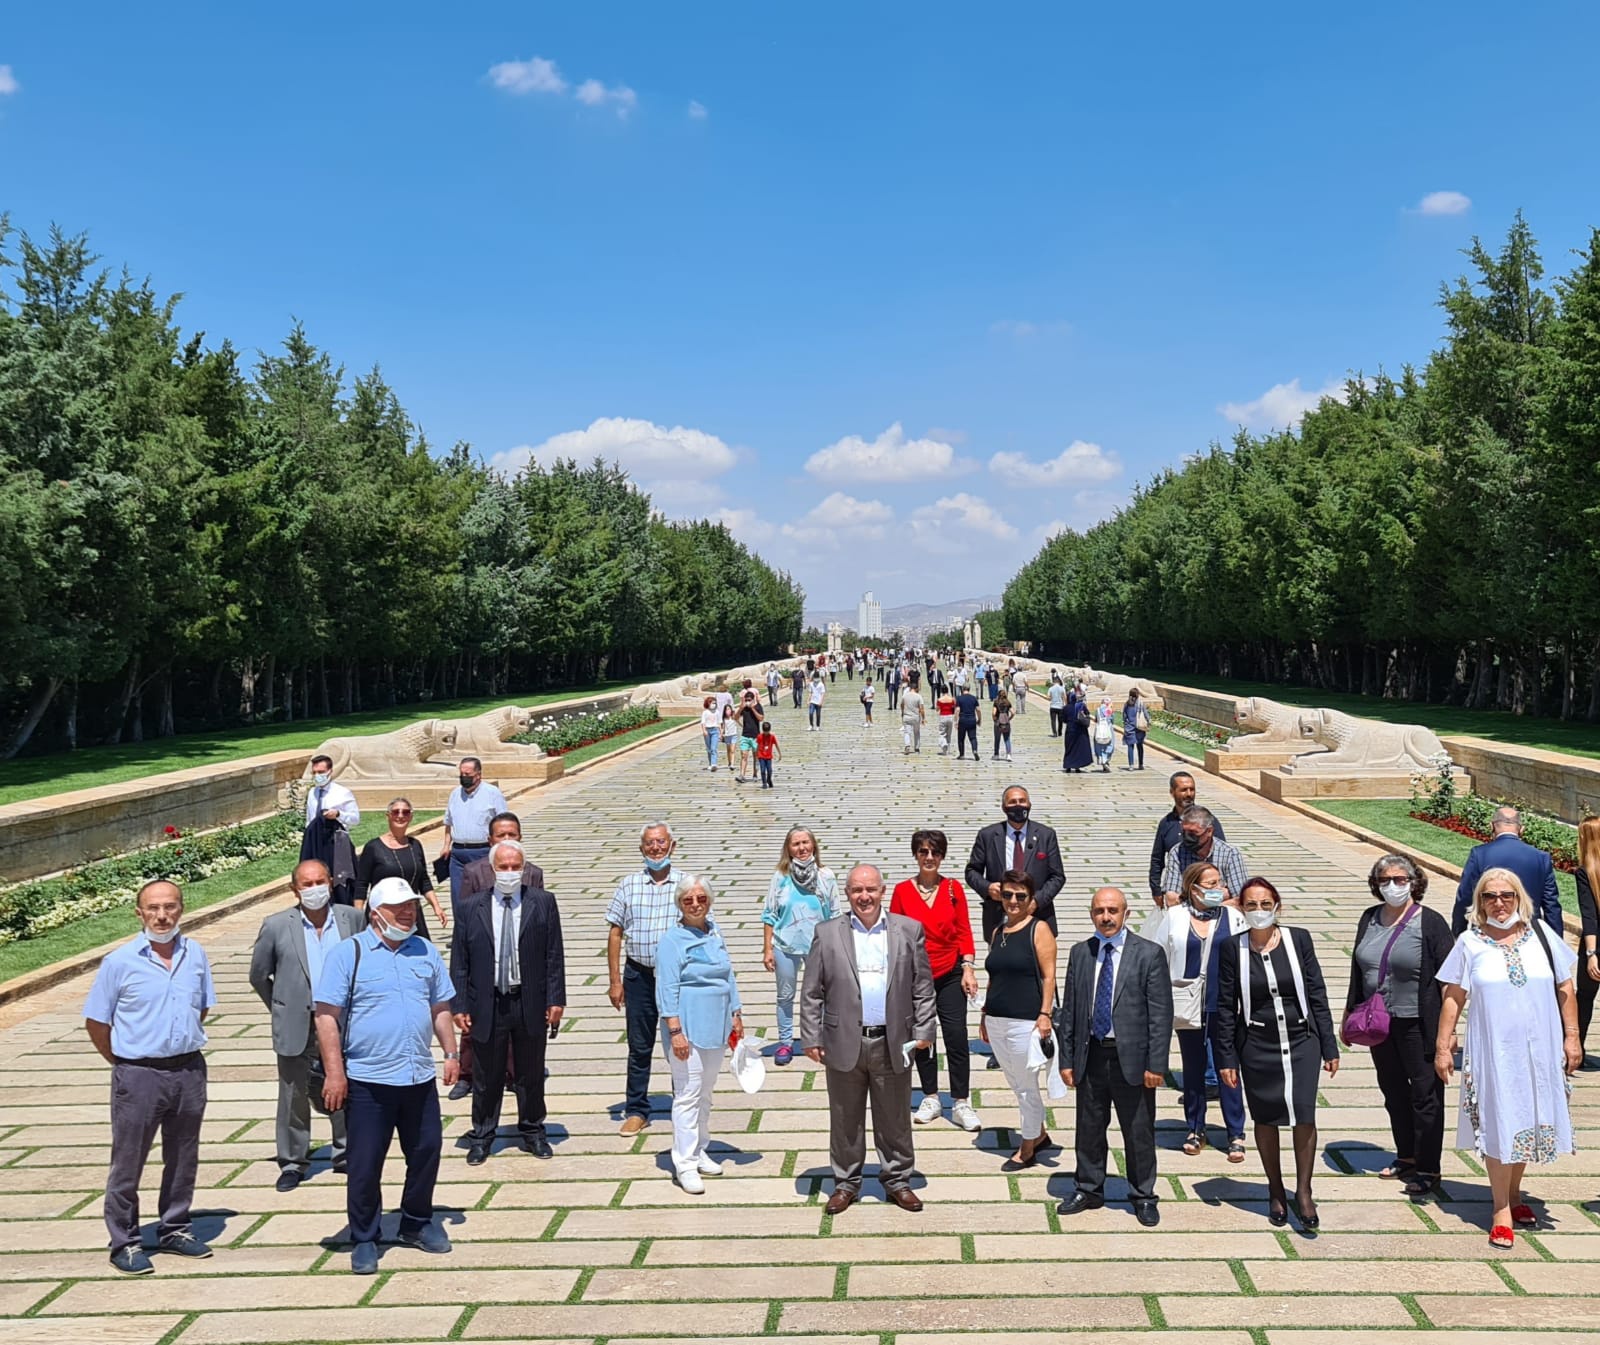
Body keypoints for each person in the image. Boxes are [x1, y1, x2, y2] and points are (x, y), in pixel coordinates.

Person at [314, 877, 459, 1274]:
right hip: (367, 1080)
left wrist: (451, 1053)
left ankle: (416, 1222)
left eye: (411, 905)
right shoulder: (349, 954)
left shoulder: (425, 950)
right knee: (364, 1163)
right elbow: (326, 1017)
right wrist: (335, 1074)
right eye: (399, 908)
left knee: (426, 1152)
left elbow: (440, 1006)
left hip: (417, 1076)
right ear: (376, 913)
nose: (409, 912)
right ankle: (365, 1236)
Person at [1436, 868, 1579, 1249]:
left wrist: (1572, 1037)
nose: (1499, 903)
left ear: (1519, 898)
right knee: (1500, 1121)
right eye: (1490, 896)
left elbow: (1565, 987)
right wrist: (1443, 1045)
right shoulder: (1469, 942)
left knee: (1527, 1118)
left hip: (1540, 1050)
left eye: (1506, 895)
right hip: (1494, 1052)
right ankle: (1500, 1208)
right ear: (1479, 902)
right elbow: (1453, 997)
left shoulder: (1542, 935)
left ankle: (1515, 1195)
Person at [83, 880, 216, 1275]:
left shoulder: (195, 954)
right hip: (139, 1074)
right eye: (153, 908)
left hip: (188, 1070)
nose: (162, 916)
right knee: (129, 1160)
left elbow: (201, 1008)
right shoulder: (119, 962)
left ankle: (175, 1227)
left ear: (181, 909)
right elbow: (96, 1022)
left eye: (169, 907)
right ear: (139, 913)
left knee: (183, 1155)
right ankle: (124, 1241)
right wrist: (124, 1060)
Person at [800, 865, 936, 1214]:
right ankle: (846, 1183)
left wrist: (924, 1030)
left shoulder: (908, 930)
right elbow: (812, 991)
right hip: (843, 1040)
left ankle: (898, 1180)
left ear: (882, 891)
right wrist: (811, 1035)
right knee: (845, 1118)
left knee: (895, 1117)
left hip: (893, 1040)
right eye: (857, 890)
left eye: (871, 890)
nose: (864, 897)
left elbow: (922, 986)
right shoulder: (827, 933)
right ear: (847, 893)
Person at [1214, 878, 1340, 1231]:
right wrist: (1226, 1057)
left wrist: (1329, 1045)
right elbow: (1225, 1007)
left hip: (1302, 1041)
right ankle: (1275, 1189)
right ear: (1241, 909)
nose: (1259, 911)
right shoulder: (1232, 948)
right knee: (1266, 1116)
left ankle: (1304, 1191)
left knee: (1303, 1113)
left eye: (1265, 904)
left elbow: (1317, 993)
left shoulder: (1298, 939)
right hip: (1257, 1044)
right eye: (1251, 905)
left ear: (1277, 906)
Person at [1055, 887, 1172, 1226]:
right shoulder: (1081, 953)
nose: (1105, 917)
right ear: (1091, 914)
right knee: (1089, 1128)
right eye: (1099, 911)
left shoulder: (1148, 953)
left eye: (1112, 911)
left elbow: (1160, 1014)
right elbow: (1071, 1010)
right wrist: (1066, 1059)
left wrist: (1156, 1064)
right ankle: (1088, 1188)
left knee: (1138, 1131)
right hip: (1091, 1055)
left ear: (1126, 914)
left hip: (1132, 1059)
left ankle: (1143, 1195)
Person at [248, 860, 365, 1192]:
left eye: (319, 882)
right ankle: (292, 1161)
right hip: (297, 1020)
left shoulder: (352, 919)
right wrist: (280, 1005)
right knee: (293, 1094)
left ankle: (346, 1153)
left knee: (344, 1084)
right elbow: (259, 975)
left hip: (343, 1019)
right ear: (294, 889)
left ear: (331, 882)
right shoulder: (276, 925)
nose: (314, 889)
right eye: (306, 884)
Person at [1341, 854, 1453, 1198]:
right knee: (1393, 1091)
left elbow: (1450, 981)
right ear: (1376, 885)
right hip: (1379, 1023)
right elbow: (1359, 971)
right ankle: (1406, 1156)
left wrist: (1448, 1033)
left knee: (1425, 1096)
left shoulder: (1429, 922)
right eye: (1386, 880)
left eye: (1401, 879)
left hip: (1419, 1023)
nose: (1393, 885)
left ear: (1414, 882)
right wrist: (1348, 1015)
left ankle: (1428, 1167)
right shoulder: (1369, 918)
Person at [450, 841, 565, 1164]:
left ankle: (533, 1130)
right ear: (492, 869)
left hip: (529, 1000)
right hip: (488, 1002)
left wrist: (556, 998)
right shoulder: (471, 907)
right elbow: (460, 960)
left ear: (524, 869)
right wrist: (459, 1004)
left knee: (530, 1071)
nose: (510, 873)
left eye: (516, 867)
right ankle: (482, 1135)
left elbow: (554, 954)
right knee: (487, 1074)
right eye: (504, 867)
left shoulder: (542, 902)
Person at [1141, 861, 1248, 1161]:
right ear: (1194, 888)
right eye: (1211, 884)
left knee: (1228, 1067)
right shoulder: (1175, 916)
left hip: (1224, 1004)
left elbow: (1245, 957)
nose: (1219, 889)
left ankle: (1236, 1131)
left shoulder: (1232, 916)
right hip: (1186, 1004)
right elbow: (1158, 957)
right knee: (1193, 1067)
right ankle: (1195, 1127)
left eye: (1220, 883)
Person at [656, 873, 744, 1192]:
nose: (695, 904)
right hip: (687, 1028)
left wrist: (736, 1012)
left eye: (701, 898)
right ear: (679, 904)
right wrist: (675, 1031)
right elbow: (666, 988)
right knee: (688, 1093)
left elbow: (728, 975)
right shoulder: (671, 941)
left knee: (706, 1092)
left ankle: (699, 1148)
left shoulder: (715, 931)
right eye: (688, 900)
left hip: (716, 1024)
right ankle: (684, 1163)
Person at [891, 831, 980, 1131]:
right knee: (923, 1037)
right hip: (916, 976)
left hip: (950, 971)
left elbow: (964, 930)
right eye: (923, 852)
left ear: (942, 856)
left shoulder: (953, 888)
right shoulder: (902, 891)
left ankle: (961, 1101)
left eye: (935, 852)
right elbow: (895, 934)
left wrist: (968, 968)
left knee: (956, 1036)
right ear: (915, 855)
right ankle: (930, 1097)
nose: (929, 858)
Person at [606, 821, 681, 1134]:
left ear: (672, 845)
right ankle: (637, 1108)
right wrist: (615, 981)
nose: (656, 848)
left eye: (661, 842)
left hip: (677, 979)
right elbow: (615, 933)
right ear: (642, 848)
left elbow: (705, 930)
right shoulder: (629, 885)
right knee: (639, 1045)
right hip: (638, 975)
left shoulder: (686, 885)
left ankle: (684, 1104)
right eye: (650, 843)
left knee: (680, 1043)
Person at [980, 872, 1058, 1168]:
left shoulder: (1039, 929)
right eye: (1008, 895)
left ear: (1030, 899)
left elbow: (1049, 976)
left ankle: (1027, 1148)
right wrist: (984, 1015)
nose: (1013, 901)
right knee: (1015, 1082)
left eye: (1020, 896)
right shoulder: (998, 931)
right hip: (997, 1018)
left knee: (1026, 1085)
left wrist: (1045, 1014)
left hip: (1025, 1021)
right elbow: (994, 976)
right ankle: (1039, 1133)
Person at [761, 827, 842, 1066]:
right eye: (796, 844)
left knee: (824, 995)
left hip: (819, 945)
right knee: (785, 996)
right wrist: (767, 949)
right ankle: (785, 1042)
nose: (802, 848)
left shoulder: (826, 876)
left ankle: (823, 1039)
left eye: (805, 842)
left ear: (813, 845)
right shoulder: (780, 877)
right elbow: (769, 914)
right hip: (785, 945)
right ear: (788, 849)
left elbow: (835, 913)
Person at [964, 785, 1065, 942]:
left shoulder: (1046, 835)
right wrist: (987, 888)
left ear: (1029, 804)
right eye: (1012, 802)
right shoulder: (987, 835)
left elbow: (1057, 876)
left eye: (1022, 801)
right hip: (999, 915)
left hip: (1038, 915)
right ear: (1004, 807)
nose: (1018, 805)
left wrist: (1036, 901)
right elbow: (972, 871)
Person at [1450, 806, 1564, 937]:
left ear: (1491, 826)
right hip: (1528, 933)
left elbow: (1465, 896)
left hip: (1489, 931)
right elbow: (1551, 904)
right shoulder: (1541, 858)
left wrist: (1458, 931)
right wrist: (1556, 940)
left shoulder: (1479, 854)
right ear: (1521, 829)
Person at [354, 796, 447, 936]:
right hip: (384, 914)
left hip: (411, 913)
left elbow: (424, 881)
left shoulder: (415, 845)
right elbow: (361, 885)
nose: (400, 816)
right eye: (395, 812)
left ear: (411, 817)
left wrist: (436, 907)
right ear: (388, 816)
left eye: (406, 812)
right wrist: (358, 917)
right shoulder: (373, 847)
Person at [442, 757, 508, 914]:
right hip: (458, 854)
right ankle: (461, 928)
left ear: (478, 775)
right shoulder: (455, 794)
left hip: (482, 852)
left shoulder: (492, 793)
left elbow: (504, 823)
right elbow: (448, 823)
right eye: (461, 774)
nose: (464, 777)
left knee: (483, 895)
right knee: (458, 898)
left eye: (468, 774)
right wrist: (446, 845)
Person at [1149, 773, 1227, 905]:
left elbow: (1222, 852)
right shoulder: (1166, 824)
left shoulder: (1209, 821)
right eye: (1184, 790)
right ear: (1172, 792)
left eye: (1192, 789)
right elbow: (1157, 859)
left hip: (1208, 893)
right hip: (1178, 892)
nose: (1189, 794)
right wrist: (1156, 889)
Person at [301, 753, 361, 906]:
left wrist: (338, 814)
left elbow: (355, 818)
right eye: (314, 772)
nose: (317, 776)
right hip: (316, 843)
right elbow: (309, 819)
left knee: (340, 884)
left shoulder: (342, 793)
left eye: (321, 772)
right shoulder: (313, 793)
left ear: (330, 771)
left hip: (337, 843)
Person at [1160, 806, 1248, 907]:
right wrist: (1219, 896)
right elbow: (1171, 899)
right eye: (1184, 832)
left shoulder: (1230, 854)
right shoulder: (1177, 852)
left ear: (1209, 831)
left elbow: (1240, 899)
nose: (1187, 838)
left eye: (1193, 833)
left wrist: (1190, 899)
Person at [1575, 816, 1600, 1060]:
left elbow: (1589, 915)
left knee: (1584, 998)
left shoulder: (1585, 872)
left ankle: (1576, 1050)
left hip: (1596, 945)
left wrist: (1591, 954)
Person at [1061, 690, 1093, 773]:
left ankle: (1068, 766)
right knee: (1078, 749)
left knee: (1069, 748)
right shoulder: (1081, 706)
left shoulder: (1066, 708)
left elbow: (1063, 720)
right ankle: (1077, 766)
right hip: (1080, 731)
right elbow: (1087, 714)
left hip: (1070, 730)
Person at [737, 688, 763, 783]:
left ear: (753, 699)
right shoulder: (743, 708)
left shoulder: (758, 706)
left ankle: (755, 774)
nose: (747, 701)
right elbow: (735, 717)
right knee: (744, 755)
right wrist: (741, 708)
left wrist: (752, 708)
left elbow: (761, 718)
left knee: (756, 756)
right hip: (745, 735)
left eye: (749, 700)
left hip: (755, 736)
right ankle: (742, 775)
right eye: (746, 700)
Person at [1122, 689, 1149, 770]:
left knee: (1130, 746)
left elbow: (1124, 716)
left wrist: (1126, 724)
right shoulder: (1140, 703)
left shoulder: (1127, 704)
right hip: (1139, 727)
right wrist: (1148, 722)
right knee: (1140, 746)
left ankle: (1131, 765)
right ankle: (1140, 764)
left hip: (1129, 727)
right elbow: (1146, 714)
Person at [899, 674, 925, 754]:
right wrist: (923, 718)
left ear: (910, 688)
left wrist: (902, 712)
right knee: (916, 732)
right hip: (915, 717)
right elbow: (921, 709)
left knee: (907, 732)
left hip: (906, 716)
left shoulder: (905, 696)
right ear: (916, 688)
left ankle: (907, 745)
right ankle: (916, 747)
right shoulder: (919, 696)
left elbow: (901, 705)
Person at [1092, 697, 1116, 772]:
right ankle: (1106, 761)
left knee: (1099, 745)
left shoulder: (1098, 710)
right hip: (1108, 729)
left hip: (1099, 730)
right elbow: (1112, 720)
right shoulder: (1109, 710)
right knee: (1109, 745)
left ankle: (1102, 760)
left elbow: (1096, 719)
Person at [756, 721, 780, 788]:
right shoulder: (759, 736)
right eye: (765, 731)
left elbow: (776, 745)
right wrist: (756, 754)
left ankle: (769, 780)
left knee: (769, 770)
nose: (766, 733)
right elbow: (757, 746)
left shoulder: (772, 737)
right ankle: (764, 783)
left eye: (767, 731)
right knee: (762, 770)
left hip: (769, 757)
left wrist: (779, 753)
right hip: (761, 756)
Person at [699, 696, 721, 770]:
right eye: (712, 703)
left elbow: (719, 722)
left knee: (713, 748)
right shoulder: (705, 712)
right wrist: (704, 730)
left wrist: (721, 732)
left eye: (715, 703)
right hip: (707, 730)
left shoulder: (717, 712)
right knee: (709, 749)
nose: (713, 705)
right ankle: (710, 763)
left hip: (715, 730)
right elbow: (703, 722)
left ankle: (714, 764)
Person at [991, 690, 1014, 761]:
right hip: (1006, 723)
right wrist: (1009, 718)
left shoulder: (996, 702)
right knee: (1007, 739)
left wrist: (994, 719)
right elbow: (1013, 712)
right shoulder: (1008, 702)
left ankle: (996, 754)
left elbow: (994, 713)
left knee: (997, 739)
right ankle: (1008, 755)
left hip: (998, 723)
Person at [935, 686, 957, 754]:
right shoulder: (952, 699)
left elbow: (937, 709)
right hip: (950, 717)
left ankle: (944, 744)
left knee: (942, 733)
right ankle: (948, 750)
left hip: (943, 716)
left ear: (941, 691)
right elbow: (954, 708)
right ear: (948, 690)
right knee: (949, 734)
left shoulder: (939, 700)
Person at [719, 701, 740, 769]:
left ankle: (732, 764)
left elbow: (739, 721)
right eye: (726, 709)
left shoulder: (734, 717)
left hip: (734, 735)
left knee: (732, 750)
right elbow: (723, 728)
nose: (728, 711)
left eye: (729, 709)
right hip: (727, 736)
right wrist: (721, 735)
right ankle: (729, 762)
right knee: (728, 750)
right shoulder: (724, 719)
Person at [1047, 673, 1067, 737]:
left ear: (1054, 681)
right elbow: (1064, 697)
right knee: (1060, 720)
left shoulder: (1051, 688)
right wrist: (1065, 705)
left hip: (1053, 706)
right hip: (1060, 706)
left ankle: (1054, 733)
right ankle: (1060, 732)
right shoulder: (1062, 688)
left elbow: (1049, 698)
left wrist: (1052, 698)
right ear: (1058, 681)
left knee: (1053, 720)